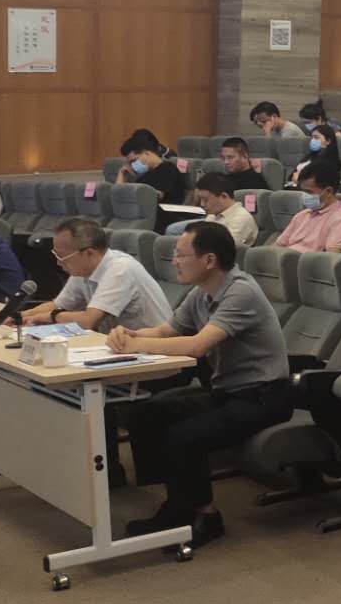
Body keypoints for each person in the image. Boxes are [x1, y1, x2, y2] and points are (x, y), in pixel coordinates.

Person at [111, 222, 294, 548]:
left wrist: (138, 346)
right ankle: (178, 504)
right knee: (146, 413)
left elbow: (196, 346)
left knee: (184, 436)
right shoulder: (201, 292)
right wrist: (128, 335)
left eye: (181, 255)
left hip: (265, 396)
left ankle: (207, 517)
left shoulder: (241, 291)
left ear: (209, 260)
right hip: (227, 393)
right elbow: (165, 332)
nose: (175, 262)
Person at [21, 217, 172, 334]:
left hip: (155, 351)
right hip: (122, 346)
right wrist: (21, 316)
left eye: (62, 257)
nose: (59, 263)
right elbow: (58, 305)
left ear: (89, 253)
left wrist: (52, 316)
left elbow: (88, 321)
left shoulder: (120, 269)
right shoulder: (82, 270)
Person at [275, 161, 341, 253]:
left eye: (309, 192)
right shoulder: (301, 215)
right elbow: (277, 247)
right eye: (303, 191)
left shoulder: (340, 220)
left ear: (328, 191)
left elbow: (331, 257)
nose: (304, 195)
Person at [182, 174, 258, 247]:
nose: (202, 204)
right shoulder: (212, 215)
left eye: (206, 200)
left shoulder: (241, 218)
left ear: (223, 196)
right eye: (200, 199)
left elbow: (223, 249)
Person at [116, 137, 188, 205]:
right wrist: (122, 173)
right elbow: (117, 195)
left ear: (146, 154)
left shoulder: (168, 169)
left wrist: (129, 194)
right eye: (130, 163)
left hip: (163, 212)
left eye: (134, 161)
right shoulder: (144, 175)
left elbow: (155, 197)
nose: (132, 165)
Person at [287, 122, 341, 187]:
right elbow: (292, 175)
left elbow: (318, 181)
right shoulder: (309, 156)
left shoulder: (330, 161)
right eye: (312, 138)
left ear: (328, 141)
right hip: (293, 186)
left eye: (316, 137)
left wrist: (299, 179)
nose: (313, 140)